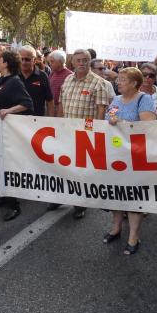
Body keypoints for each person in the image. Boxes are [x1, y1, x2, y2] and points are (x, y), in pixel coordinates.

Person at [103, 67, 156, 254]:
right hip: (116, 154)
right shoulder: (116, 100)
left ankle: (134, 235)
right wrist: (110, 119)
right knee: (116, 193)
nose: (118, 82)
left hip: (135, 156)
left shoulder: (144, 99)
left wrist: (123, 124)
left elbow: (148, 127)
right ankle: (116, 227)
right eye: (118, 79)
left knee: (133, 196)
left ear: (134, 83)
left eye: (123, 79)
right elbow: (108, 117)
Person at [53, 49, 109, 219]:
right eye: (78, 60)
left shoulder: (99, 83)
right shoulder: (68, 80)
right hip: (68, 132)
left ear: (89, 61)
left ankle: (81, 203)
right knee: (65, 166)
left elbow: (101, 110)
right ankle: (61, 196)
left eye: (85, 60)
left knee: (82, 171)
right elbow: (61, 104)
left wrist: (96, 133)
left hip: (87, 134)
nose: (81, 63)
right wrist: (59, 124)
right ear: (72, 62)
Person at [0, 50, 33, 221]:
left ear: (6, 63)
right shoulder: (2, 80)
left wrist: (9, 110)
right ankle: (4, 196)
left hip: (6, 134)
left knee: (7, 168)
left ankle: (13, 204)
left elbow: (27, 103)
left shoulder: (15, 82)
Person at [18, 45, 54, 116]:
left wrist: (50, 121)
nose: (23, 62)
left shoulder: (42, 76)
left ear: (34, 60)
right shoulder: (13, 75)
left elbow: (49, 101)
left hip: (37, 122)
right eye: (21, 59)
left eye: (27, 59)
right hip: (16, 122)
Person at [47, 50, 72, 117]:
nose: (50, 64)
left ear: (60, 61)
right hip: (51, 107)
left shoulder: (70, 75)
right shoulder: (52, 73)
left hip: (63, 109)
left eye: (52, 61)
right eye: (50, 61)